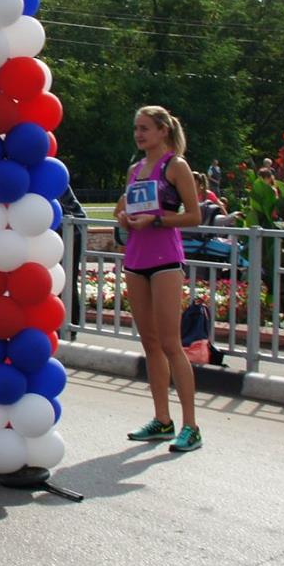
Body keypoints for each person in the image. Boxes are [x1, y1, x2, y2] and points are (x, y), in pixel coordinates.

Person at [114, 106, 204, 455]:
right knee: (149, 343)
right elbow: (126, 210)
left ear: (164, 130)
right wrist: (125, 218)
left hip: (166, 259)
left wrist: (157, 220)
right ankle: (161, 419)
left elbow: (193, 215)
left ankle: (191, 426)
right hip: (136, 259)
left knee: (171, 343)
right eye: (136, 128)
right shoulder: (134, 169)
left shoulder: (175, 166)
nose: (139, 134)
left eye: (146, 128)